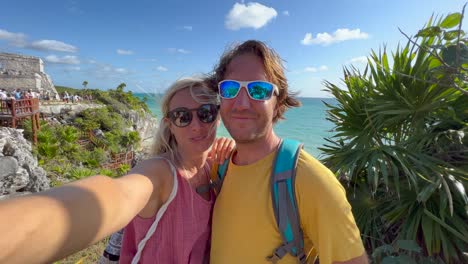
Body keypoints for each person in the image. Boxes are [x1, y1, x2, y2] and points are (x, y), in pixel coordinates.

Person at [0, 77, 234, 264]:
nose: (196, 125)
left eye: (205, 113)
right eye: (182, 116)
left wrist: (235, 149)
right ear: (169, 124)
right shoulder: (160, 173)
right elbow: (114, 195)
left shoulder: (211, 168)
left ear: (218, 117)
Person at [208, 40, 367, 264]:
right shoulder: (220, 167)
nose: (241, 103)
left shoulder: (309, 179)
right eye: (230, 88)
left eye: (258, 90)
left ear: (278, 101)